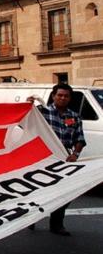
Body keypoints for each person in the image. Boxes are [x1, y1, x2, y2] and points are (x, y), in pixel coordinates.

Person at [27, 83, 86, 236]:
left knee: (65, 192)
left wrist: (75, 155)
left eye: (66, 96)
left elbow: (80, 138)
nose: (62, 98)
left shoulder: (74, 116)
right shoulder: (41, 112)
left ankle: (57, 224)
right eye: (59, 95)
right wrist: (27, 106)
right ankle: (31, 218)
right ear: (53, 96)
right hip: (42, 159)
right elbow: (25, 121)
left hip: (64, 160)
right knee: (38, 190)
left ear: (70, 98)